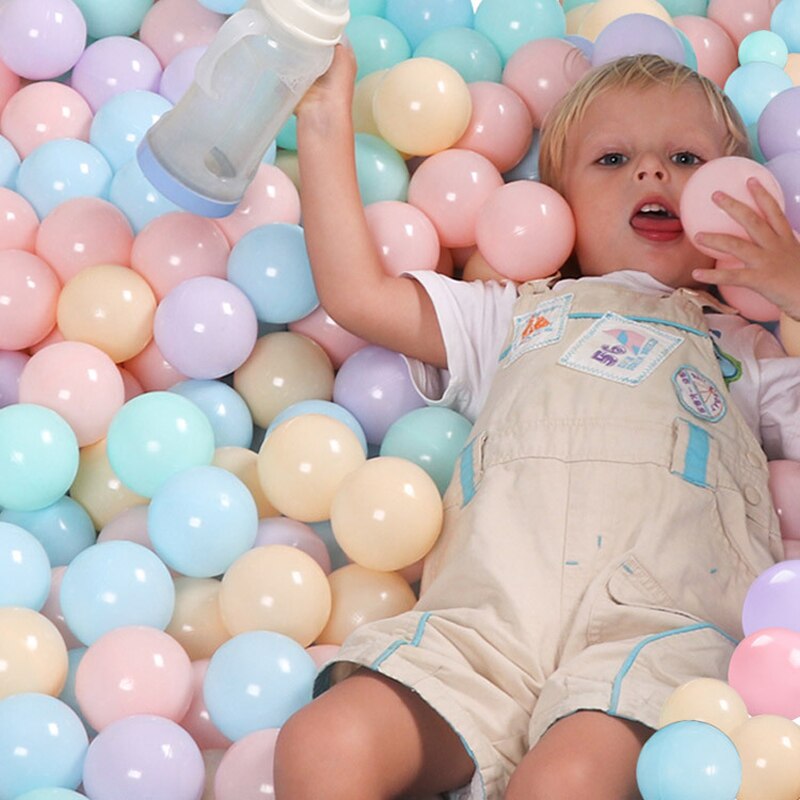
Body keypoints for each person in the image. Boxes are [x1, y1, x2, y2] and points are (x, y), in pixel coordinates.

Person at [274, 46, 800, 800]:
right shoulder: (517, 314)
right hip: (483, 626)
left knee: (568, 782)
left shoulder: (747, 354)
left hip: (652, 639)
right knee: (324, 740)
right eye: (612, 158)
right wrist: (323, 119)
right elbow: (359, 296)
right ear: (555, 207)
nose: (652, 173)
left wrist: (793, 282)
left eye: (686, 157)